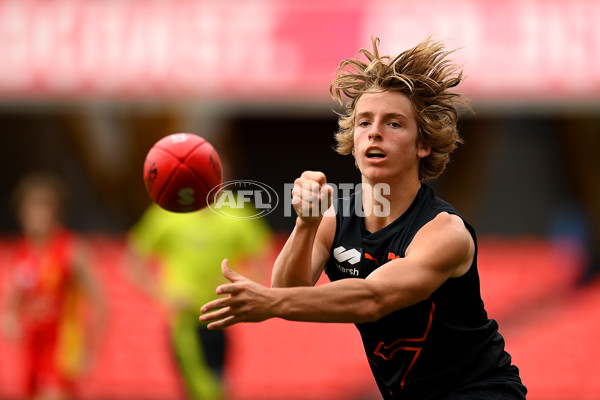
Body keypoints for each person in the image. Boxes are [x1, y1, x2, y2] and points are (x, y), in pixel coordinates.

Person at [199, 37, 528, 399]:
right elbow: (289, 294)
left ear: (423, 144)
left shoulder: (444, 231)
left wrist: (268, 302)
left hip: (481, 392)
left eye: (394, 124)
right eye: (364, 122)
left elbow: (374, 299)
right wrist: (305, 224)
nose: (374, 131)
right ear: (352, 140)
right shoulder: (336, 215)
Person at [127, 199, 272, 400]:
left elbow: (261, 257)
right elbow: (133, 261)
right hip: (185, 322)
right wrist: (165, 295)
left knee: (218, 388)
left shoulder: (237, 212)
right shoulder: (168, 212)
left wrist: (242, 289)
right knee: (204, 390)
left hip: (223, 320)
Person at [2, 173, 107, 400]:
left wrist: (90, 347)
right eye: (31, 209)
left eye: (44, 208)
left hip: (61, 348)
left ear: (56, 213)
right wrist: (9, 319)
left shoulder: (71, 250)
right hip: (32, 348)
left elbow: (100, 302)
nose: (37, 216)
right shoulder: (24, 252)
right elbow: (14, 300)